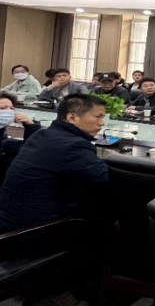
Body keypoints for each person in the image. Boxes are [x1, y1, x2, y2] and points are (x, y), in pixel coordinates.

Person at [0, 93, 108, 233]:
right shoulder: (72, 145)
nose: (102, 123)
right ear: (72, 118)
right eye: (98, 116)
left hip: (8, 219)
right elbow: (104, 178)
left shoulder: (43, 135)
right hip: (32, 230)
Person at [0, 91, 41, 158]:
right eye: (2, 108)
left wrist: (31, 126)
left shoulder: (4, 141)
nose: (8, 111)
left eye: (11, 108)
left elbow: (29, 148)